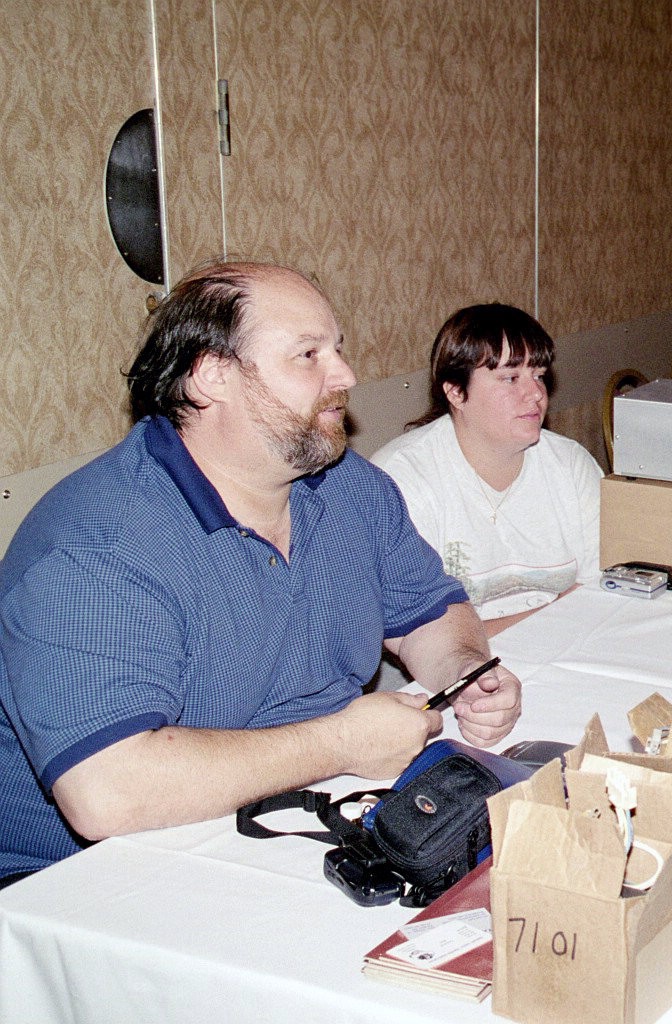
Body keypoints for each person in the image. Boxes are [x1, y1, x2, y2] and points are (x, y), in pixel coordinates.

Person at [0, 262, 522, 886]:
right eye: (308, 354)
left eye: (338, 349)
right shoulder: (95, 545)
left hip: (286, 824)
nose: (346, 376)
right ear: (209, 374)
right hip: (84, 883)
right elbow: (107, 793)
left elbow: (430, 612)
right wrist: (340, 744)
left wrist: (461, 670)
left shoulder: (351, 490)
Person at [372, 304, 601, 637]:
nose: (536, 393)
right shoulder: (401, 480)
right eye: (510, 378)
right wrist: (555, 609)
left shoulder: (571, 465)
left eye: (538, 375)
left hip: (571, 650)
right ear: (456, 391)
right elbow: (429, 636)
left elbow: (602, 597)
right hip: (460, 672)